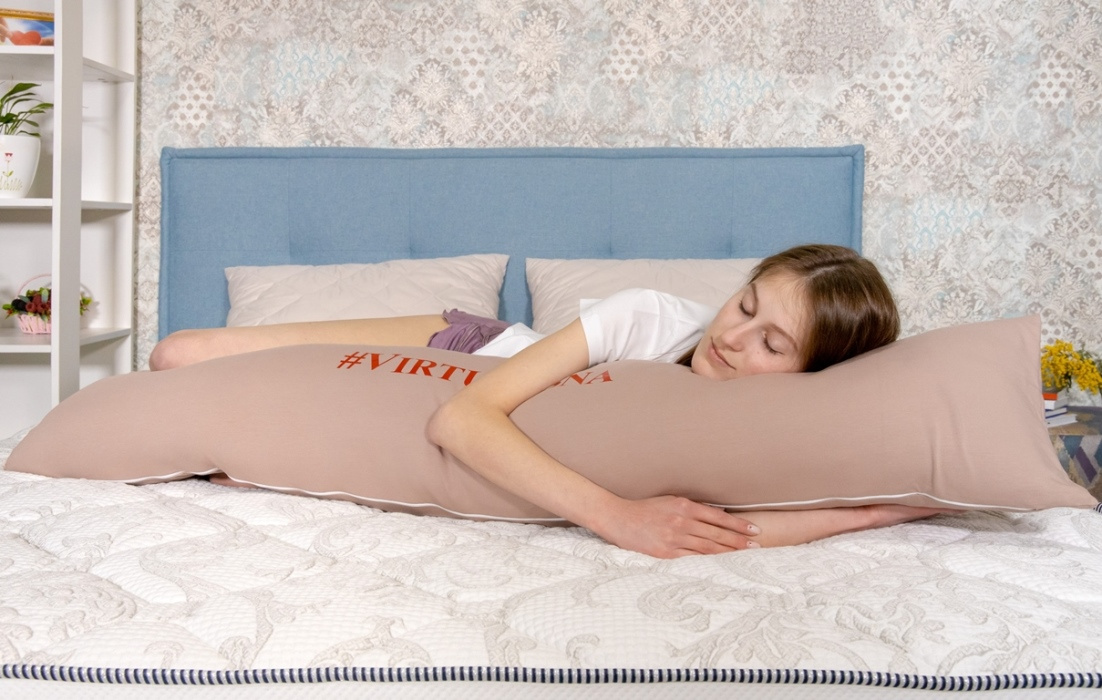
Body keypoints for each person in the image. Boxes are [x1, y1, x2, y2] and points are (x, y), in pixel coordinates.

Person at [151, 244, 944, 557]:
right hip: (460, 352)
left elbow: (730, 529)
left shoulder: (770, 424)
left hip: (433, 411)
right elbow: (461, 416)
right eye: (744, 305)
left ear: (811, 375)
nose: (732, 339)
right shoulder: (649, 318)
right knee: (177, 356)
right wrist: (615, 516)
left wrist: (874, 513)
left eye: (772, 343)